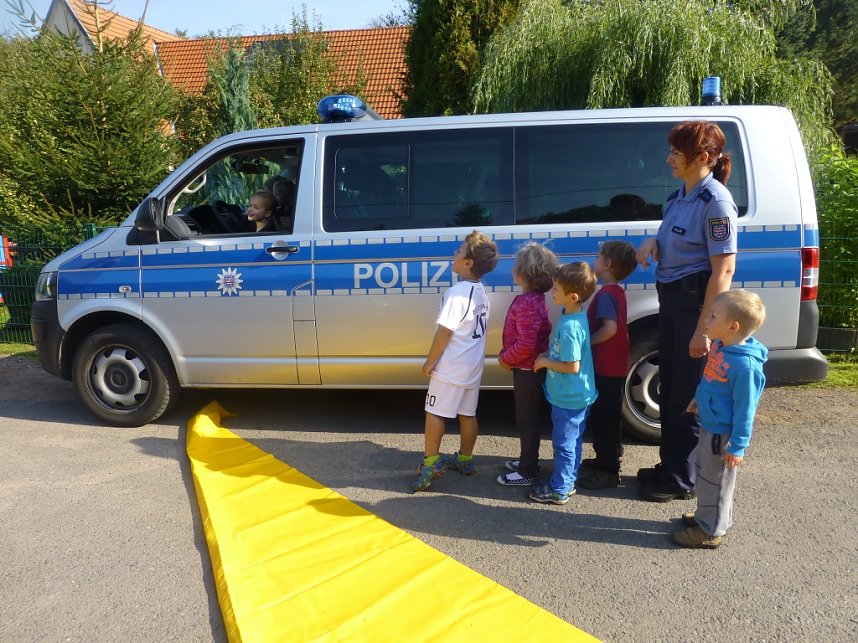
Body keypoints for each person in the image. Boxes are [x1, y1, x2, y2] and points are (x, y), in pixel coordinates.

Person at [635, 121, 738, 502]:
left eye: (677, 153)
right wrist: (653, 242)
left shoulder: (716, 202)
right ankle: (671, 465)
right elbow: (677, 241)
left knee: (687, 395)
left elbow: (723, 271)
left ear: (703, 157)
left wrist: (703, 330)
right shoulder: (679, 197)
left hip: (694, 308)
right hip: (671, 302)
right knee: (672, 389)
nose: (669, 159)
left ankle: (681, 479)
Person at [672, 290, 767, 548]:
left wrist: (737, 446)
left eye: (713, 316)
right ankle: (708, 516)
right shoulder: (720, 347)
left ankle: (711, 531)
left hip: (722, 436)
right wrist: (697, 399)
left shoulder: (745, 367)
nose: (706, 320)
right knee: (705, 476)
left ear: (732, 326)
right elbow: (710, 381)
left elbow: (746, 410)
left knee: (717, 482)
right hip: (709, 424)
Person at [411, 230, 499, 492]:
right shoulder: (480, 291)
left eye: (459, 251)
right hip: (472, 366)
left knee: (434, 412)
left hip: (451, 366)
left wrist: (430, 361)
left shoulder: (457, 293)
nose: (455, 253)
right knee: (467, 414)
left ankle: (430, 463)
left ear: (468, 263)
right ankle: (465, 459)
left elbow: (445, 331)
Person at [529, 262, 598, 505]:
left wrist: (544, 362)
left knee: (564, 444)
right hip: (575, 395)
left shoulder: (570, 327)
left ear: (573, 296)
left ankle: (559, 489)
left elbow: (572, 366)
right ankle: (567, 481)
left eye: (556, 289)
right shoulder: (573, 314)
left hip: (569, 397)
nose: (552, 292)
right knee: (573, 441)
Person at [496, 242, 558, 487]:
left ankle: (527, 470)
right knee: (529, 418)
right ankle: (527, 460)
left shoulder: (526, 303)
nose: (513, 270)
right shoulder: (536, 299)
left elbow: (526, 344)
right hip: (530, 367)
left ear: (523, 273)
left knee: (526, 420)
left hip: (526, 369)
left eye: (516, 266)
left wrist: (505, 359)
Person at [578, 240, 638, 489]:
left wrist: (587, 342)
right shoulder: (616, 292)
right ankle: (608, 455)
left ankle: (609, 469)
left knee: (605, 417)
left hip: (606, 366)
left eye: (598, 257)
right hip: (616, 364)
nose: (595, 260)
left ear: (608, 264)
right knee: (610, 414)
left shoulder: (605, 295)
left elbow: (610, 329)